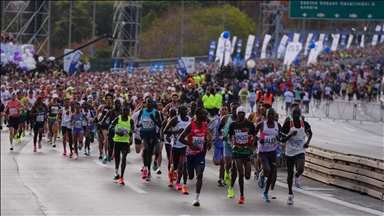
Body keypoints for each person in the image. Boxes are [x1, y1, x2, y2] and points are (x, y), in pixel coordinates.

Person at [179, 107, 213, 207]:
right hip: (190, 154)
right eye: (204, 114)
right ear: (198, 115)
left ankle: (197, 198)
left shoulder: (204, 124)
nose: (206, 116)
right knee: (191, 176)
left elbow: (207, 134)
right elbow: (181, 138)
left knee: (200, 174)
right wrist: (191, 144)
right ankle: (187, 169)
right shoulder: (191, 125)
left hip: (200, 154)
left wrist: (209, 141)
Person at [281, 107, 313, 205]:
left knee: (301, 169)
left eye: (297, 114)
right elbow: (282, 139)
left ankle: (298, 175)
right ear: (291, 114)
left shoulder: (304, 124)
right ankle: (290, 194)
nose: (296, 115)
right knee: (289, 174)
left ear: (300, 115)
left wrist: (307, 142)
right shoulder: (287, 125)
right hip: (290, 151)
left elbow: (310, 133)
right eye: (294, 113)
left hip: (300, 150)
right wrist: (290, 135)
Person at [227, 106, 256, 204]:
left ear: (245, 114)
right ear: (237, 114)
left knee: (247, 176)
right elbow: (229, 137)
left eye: (243, 113)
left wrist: (252, 146)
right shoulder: (233, 125)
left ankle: (231, 186)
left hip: (246, 150)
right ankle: (241, 196)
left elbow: (255, 135)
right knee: (240, 173)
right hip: (237, 151)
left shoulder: (250, 124)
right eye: (239, 113)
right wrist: (232, 144)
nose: (241, 115)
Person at [255, 108, 281, 202]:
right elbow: (253, 134)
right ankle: (262, 174)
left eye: (272, 115)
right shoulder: (262, 124)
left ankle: (266, 192)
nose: (270, 116)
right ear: (266, 115)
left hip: (273, 151)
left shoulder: (278, 125)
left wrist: (279, 138)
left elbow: (281, 136)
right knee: (267, 169)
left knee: (272, 172)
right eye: (268, 114)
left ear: (274, 116)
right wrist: (258, 140)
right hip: (263, 151)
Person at [163, 105, 191, 191]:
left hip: (185, 145)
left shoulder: (189, 120)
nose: (185, 111)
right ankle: (171, 178)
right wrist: (176, 131)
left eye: (186, 109)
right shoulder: (175, 119)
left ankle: (180, 183)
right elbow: (165, 130)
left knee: (183, 164)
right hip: (176, 145)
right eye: (183, 110)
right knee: (175, 165)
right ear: (179, 111)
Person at [137, 97, 162, 181]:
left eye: (151, 103)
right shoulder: (142, 111)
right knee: (145, 151)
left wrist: (154, 120)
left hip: (153, 135)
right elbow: (138, 118)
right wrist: (138, 124)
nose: (150, 104)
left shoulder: (156, 113)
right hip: (144, 135)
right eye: (148, 102)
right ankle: (146, 170)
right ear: (146, 103)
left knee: (155, 152)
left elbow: (160, 125)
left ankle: (154, 163)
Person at [217, 102, 239, 198]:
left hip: (238, 146)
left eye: (236, 109)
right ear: (231, 110)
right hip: (227, 144)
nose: (235, 111)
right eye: (233, 109)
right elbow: (219, 129)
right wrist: (221, 136)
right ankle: (226, 171)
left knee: (236, 167)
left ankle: (231, 185)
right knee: (228, 163)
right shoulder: (226, 118)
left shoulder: (242, 119)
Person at [111, 105, 134, 185]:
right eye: (124, 111)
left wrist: (131, 133)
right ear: (121, 111)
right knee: (117, 158)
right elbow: (111, 127)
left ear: (129, 113)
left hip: (125, 142)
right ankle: (116, 171)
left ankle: (122, 177)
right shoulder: (118, 118)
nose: (126, 112)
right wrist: (117, 133)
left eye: (127, 111)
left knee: (124, 158)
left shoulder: (131, 121)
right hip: (117, 140)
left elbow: (132, 129)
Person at [208, 103, 229, 187]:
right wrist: (211, 137)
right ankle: (217, 161)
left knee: (224, 162)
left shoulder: (230, 121)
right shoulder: (216, 120)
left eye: (225, 109)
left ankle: (221, 179)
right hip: (217, 144)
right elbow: (207, 129)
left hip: (227, 145)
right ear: (219, 111)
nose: (224, 111)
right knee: (217, 162)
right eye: (222, 109)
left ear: (228, 111)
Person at [160, 108, 177, 187]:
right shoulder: (166, 121)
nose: (173, 115)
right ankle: (170, 173)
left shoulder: (177, 121)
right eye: (171, 114)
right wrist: (161, 136)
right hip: (168, 142)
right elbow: (162, 129)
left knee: (176, 160)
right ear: (169, 114)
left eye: (174, 114)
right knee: (169, 159)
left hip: (176, 143)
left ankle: (174, 172)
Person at [101, 99, 122, 164]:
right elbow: (103, 121)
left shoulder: (122, 112)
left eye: (119, 104)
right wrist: (109, 125)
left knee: (118, 147)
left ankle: (116, 157)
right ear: (114, 104)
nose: (118, 105)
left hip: (119, 132)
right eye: (116, 104)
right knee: (110, 146)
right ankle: (108, 156)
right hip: (111, 131)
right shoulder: (110, 112)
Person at [95, 93, 114, 159]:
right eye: (107, 99)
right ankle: (105, 153)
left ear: (112, 100)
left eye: (110, 99)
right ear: (105, 100)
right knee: (106, 138)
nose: (109, 100)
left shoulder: (114, 107)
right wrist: (97, 120)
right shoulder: (103, 107)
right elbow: (98, 113)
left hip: (112, 125)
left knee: (112, 140)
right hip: (104, 125)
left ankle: (111, 151)